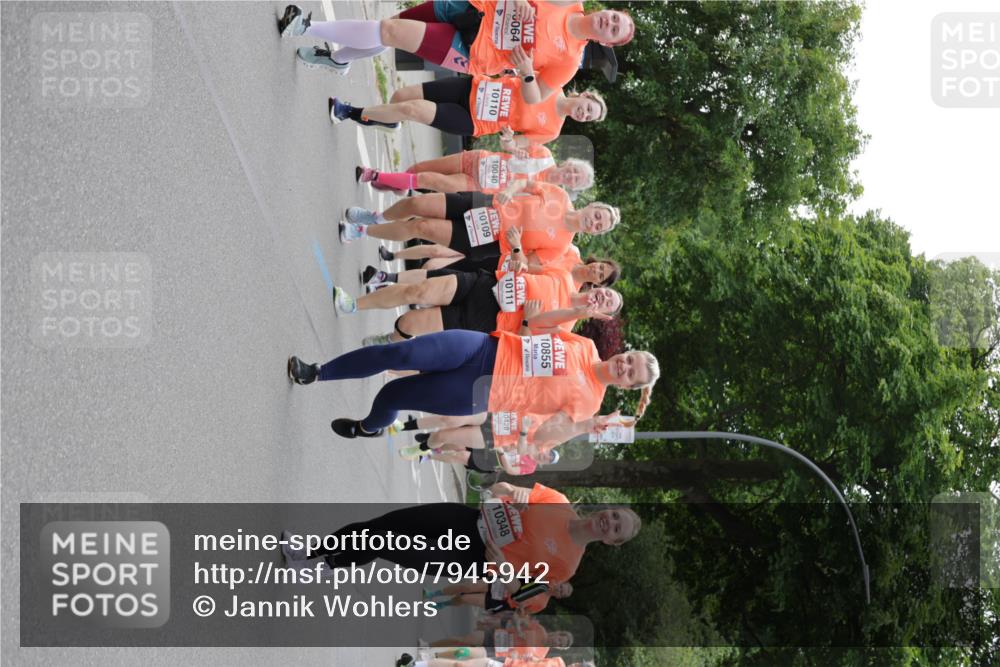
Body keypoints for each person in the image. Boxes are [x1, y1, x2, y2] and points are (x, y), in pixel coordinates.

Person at [282, 480, 641, 617]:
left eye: (615, 528)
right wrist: (509, 495)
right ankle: (312, 553)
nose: (608, 522)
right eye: (613, 515)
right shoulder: (557, 500)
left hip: (468, 558)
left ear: (612, 541)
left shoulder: (566, 567)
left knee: (385, 543)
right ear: (605, 510)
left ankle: (319, 564)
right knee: (378, 526)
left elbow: (522, 594)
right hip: (466, 521)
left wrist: (503, 570)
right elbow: (500, 487)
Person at [286, 329, 658, 440]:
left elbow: (543, 438)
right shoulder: (585, 344)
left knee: (392, 394)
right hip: (483, 347)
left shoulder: (590, 404)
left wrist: (585, 426)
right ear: (626, 352)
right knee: (400, 355)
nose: (625, 366)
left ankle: (369, 426)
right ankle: (317, 372)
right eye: (630, 358)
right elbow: (536, 327)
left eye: (631, 373)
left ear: (627, 387)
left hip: (480, 391)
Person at [280, 1, 634, 96]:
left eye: (615, 30)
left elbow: (535, 95)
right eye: (615, 17)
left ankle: (305, 26)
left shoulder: (569, 60)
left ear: (606, 41)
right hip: (470, 7)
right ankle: (339, 58)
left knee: (388, 30)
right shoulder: (568, 1)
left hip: (473, 49)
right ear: (607, 10)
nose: (610, 23)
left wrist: (526, 74)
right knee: (389, 27)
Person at [339, 185, 619, 283]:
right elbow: (527, 182)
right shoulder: (559, 196)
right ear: (592, 206)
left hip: (487, 239)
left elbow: (527, 266)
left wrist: (518, 247)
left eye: (600, 226)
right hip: (486, 205)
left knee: (422, 227)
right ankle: (376, 216)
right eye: (598, 216)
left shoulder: (561, 246)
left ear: (595, 234)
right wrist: (510, 191)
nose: (594, 222)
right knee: (418, 204)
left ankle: (363, 231)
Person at [329, 263, 621, 345]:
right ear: (596, 286)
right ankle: (353, 303)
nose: (602, 298)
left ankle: (390, 339)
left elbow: (524, 342)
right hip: (484, 286)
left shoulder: (567, 327)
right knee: (417, 292)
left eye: (607, 303)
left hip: (484, 322)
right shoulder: (561, 274)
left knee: (408, 324)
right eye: (606, 293)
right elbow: (526, 263)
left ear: (600, 313)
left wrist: (528, 322)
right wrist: (518, 257)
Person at [327, 75, 605, 138]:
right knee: (402, 96)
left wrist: (510, 141)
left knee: (413, 110)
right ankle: (387, 119)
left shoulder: (553, 130)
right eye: (588, 108)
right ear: (585, 96)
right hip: (474, 87)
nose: (583, 114)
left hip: (473, 119)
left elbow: (519, 147)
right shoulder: (553, 82)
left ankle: (349, 112)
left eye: (587, 118)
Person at [357, 133, 593, 196]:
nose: (570, 176)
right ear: (568, 164)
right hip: (477, 159)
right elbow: (507, 144)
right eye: (574, 171)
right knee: (418, 170)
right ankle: (398, 183)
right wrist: (512, 147)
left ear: (571, 187)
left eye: (575, 180)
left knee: (430, 180)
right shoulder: (542, 153)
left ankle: (376, 175)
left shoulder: (547, 193)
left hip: (477, 182)